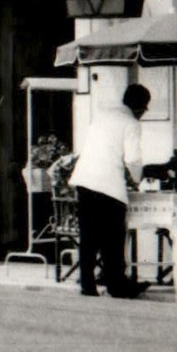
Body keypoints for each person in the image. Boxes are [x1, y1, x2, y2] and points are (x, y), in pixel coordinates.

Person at [68, 83, 151, 299]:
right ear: (141, 107)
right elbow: (133, 160)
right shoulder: (131, 123)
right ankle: (117, 284)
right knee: (113, 238)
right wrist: (136, 179)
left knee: (89, 236)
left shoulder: (103, 115)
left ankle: (87, 284)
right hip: (108, 185)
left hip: (85, 181)